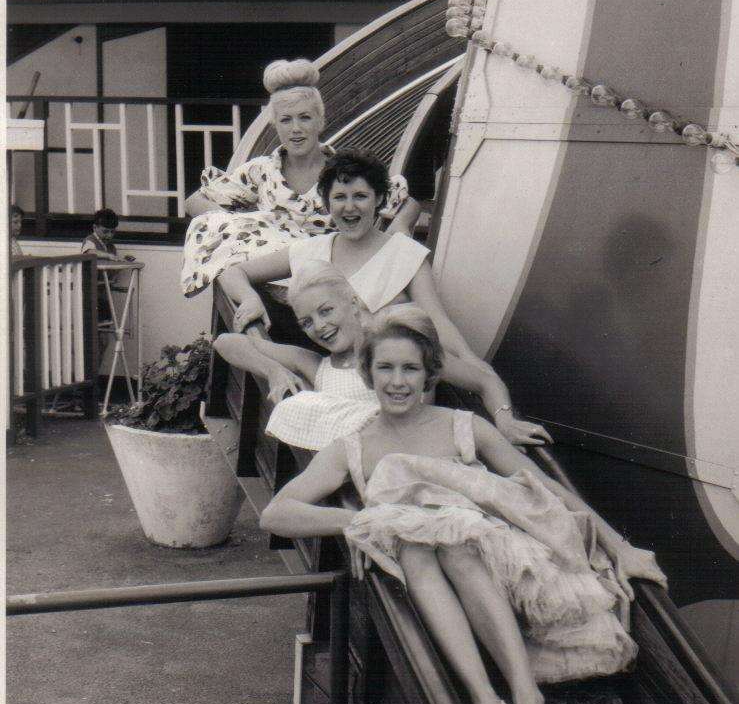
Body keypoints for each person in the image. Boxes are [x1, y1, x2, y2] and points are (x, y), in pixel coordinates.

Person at [260, 306, 667, 704]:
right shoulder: (354, 446)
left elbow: (544, 490)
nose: (397, 381)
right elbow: (277, 514)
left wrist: (619, 546)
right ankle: (485, 699)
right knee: (417, 544)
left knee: (452, 544)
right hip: (425, 574)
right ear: (367, 374)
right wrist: (360, 522)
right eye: (385, 368)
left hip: (502, 565)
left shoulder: (463, 427)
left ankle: (527, 701)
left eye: (410, 368)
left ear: (430, 372)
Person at [215, 147, 551, 446]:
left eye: (360, 196)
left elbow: (438, 325)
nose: (349, 207)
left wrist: (495, 399)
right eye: (339, 198)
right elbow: (233, 272)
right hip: (342, 379)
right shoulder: (310, 250)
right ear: (327, 202)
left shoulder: (404, 254)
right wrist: (249, 299)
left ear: (378, 198)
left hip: (397, 380)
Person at [215, 260, 548, 451]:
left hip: (420, 457)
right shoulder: (315, 364)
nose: (320, 326)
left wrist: (504, 419)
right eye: (306, 322)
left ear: (355, 304)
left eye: (326, 310)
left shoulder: (401, 350)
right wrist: (272, 370)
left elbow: (483, 381)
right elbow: (226, 342)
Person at [180, 58, 419, 300]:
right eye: (286, 119)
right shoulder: (262, 170)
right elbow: (195, 201)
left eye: (304, 117)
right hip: (274, 283)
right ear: (275, 125)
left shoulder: (343, 169)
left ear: (320, 121)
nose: (296, 129)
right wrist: (250, 223)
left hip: (334, 280)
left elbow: (406, 202)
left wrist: (401, 225)